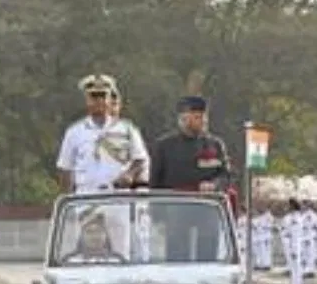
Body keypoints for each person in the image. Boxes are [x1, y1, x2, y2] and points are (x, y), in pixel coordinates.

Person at [149, 96, 233, 261]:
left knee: (208, 252)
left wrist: (214, 184)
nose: (202, 121)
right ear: (183, 119)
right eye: (196, 117)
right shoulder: (165, 145)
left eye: (203, 117)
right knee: (177, 254)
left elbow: (226, 175)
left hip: (207, 206)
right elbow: (155, 181)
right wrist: (157, 213)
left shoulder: (214, 144)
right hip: (176, 206)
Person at [56, 74, 148, 194]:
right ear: (87, 100)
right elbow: (65, 169)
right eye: (94, 97)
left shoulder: (127, 129)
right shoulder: (74, 132)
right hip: (87, 198)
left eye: (103, 96)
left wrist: (129, 174)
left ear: (110, 99)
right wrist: (66, 197)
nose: (99, 101)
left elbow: (140, 159)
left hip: (118, 198)